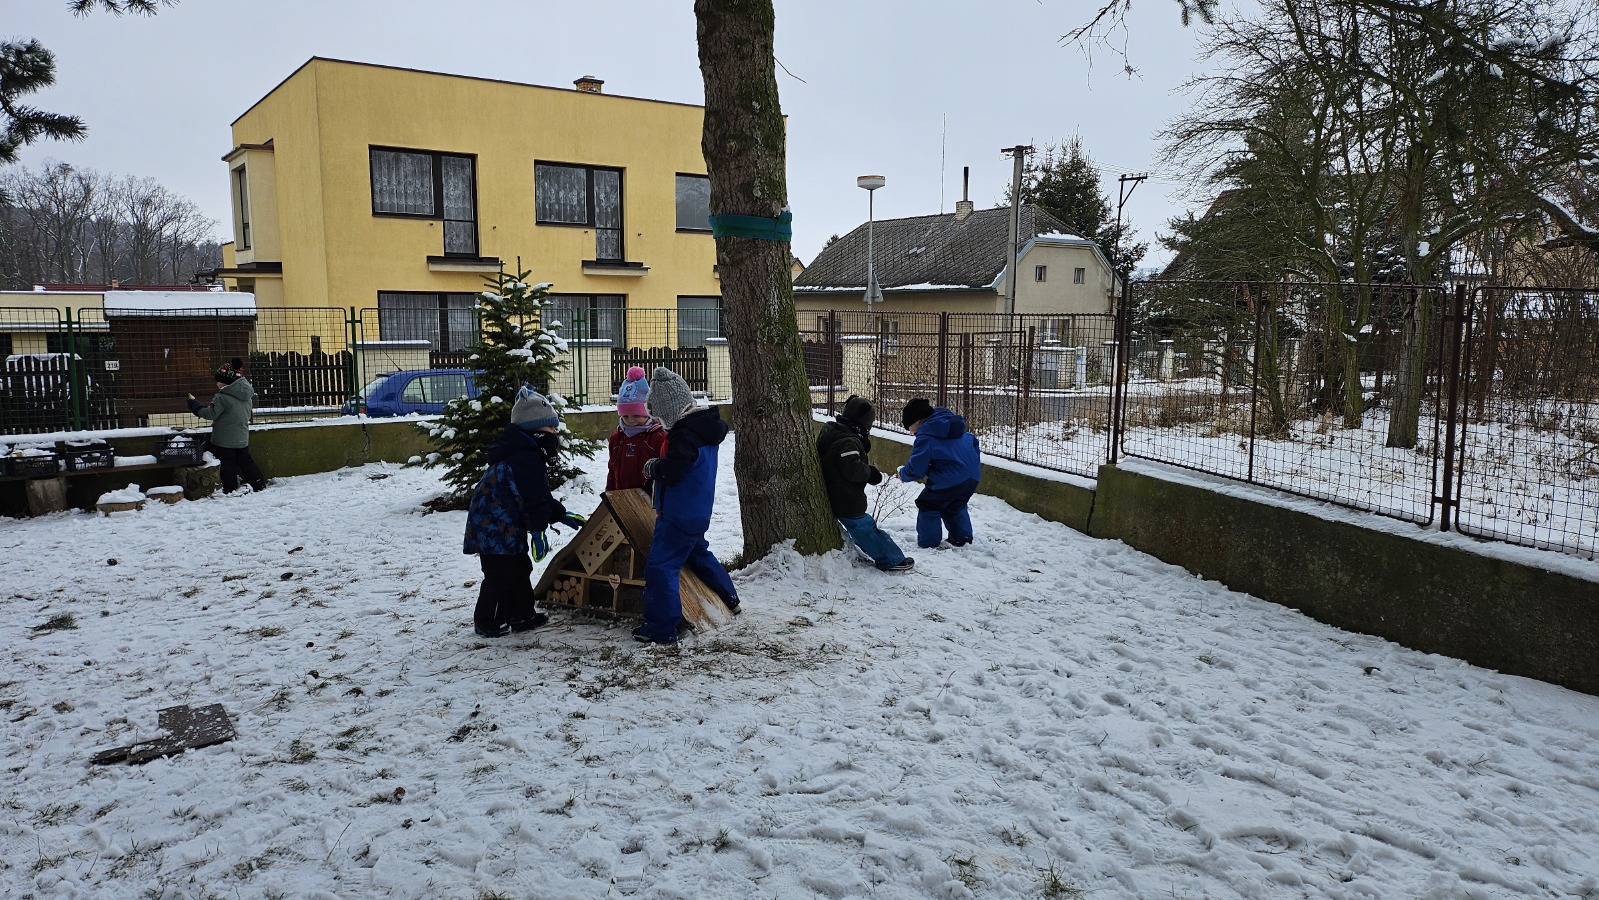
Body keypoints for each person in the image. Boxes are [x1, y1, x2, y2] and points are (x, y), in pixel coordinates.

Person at [462, 387, 586, 638]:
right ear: (536, 431)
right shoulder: (524, 458)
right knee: (500, 575)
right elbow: (530, 501)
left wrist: (560, 514)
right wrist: (538, 532)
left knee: (520, 568)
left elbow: (538, 495)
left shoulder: (525, 454)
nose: (555, 433)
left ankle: (521, 615)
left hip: (505, 526)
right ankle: (487, 620)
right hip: (494, 528)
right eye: (551, 428)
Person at [635, 367, 740, 644]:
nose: (660, 423)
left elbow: (674, 470)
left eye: (661, 416)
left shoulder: (684, 437)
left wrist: (654, 467)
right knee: (698, 553)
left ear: (671, 410)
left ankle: (661, 628)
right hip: (697, 511)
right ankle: (730, 597)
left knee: (660, 566)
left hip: (677, 515)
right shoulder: (704, 431)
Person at [817, 395, 913, 572]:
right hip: (844, 496)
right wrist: (871, 473)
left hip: (833, 490)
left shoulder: (833, 430)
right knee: (865, 528)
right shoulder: (848, 441)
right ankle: (891, 559)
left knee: (861, 527)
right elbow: (852, 469)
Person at [897, 397, 981, 549]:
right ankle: (962, 538)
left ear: (917, 422)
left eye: (908, 426)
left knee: (928, 504)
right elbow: (973, 443)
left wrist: (903, 474)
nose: (910, 432)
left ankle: (928, 544)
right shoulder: (953, 426)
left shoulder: (926, 437)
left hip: (950, 478)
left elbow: (916, 469)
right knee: (955, 504)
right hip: (972, 477)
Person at [186, 365, 268, 494]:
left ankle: (230, 488)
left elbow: (210, 414)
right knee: (245, 462)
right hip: (242, 437)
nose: (217, 383)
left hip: (224, 440)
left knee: (227, 465)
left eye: (219, 380)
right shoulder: (246, 396)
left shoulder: (222, 397)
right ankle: (258, 483)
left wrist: (195, 406)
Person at [606, 366, 667, 492]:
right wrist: (610, 497)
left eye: (636, 415)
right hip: (622, 498)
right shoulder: (617, 439)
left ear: (649, 413)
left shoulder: (658, 438)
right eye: (625, 416)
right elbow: (612, 471)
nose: (630, 420)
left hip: (649, 499)